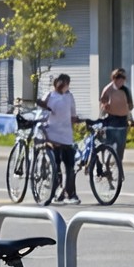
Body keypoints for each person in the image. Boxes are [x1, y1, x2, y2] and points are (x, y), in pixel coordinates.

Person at [41, 73, 79, 203]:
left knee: (70, 166)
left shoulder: (69, 96)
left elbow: (73, 114)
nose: (65, 86)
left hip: (66, 136)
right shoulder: (49, 96)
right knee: (56, 165)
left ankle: (70, 193)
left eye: (67, 83)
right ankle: (56, 191)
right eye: (63, 83)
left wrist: (76, 121)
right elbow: (42, 114)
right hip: (52, 135)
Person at [96, 67, 133, 173]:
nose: (122, 80)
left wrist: (130, 118)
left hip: (122, 122)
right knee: (109, 146)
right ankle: (106, 166)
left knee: (120, 148)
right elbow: (102, 107)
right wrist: (104, 109)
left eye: (123, 78)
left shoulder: (126, 90)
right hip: (111, 121)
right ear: (114, 78)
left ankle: (118, 168)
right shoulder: (108, 90)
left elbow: (130, 106)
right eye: (119, 77)